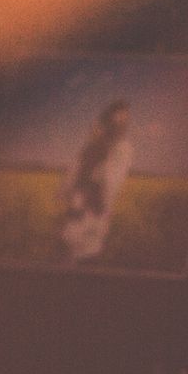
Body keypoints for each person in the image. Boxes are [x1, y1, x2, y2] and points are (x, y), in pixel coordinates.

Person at [54, 98, 132, 264]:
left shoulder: (123, 149)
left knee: (87, 254)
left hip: (95, 213)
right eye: (113, 122)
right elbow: (72, 174)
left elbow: (110, 185)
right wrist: (65, 194)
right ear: (106, 122)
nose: (118, 127)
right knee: (67, 251)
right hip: (76, 210)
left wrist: (102, 151)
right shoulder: (91, 146)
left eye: (122, 123)